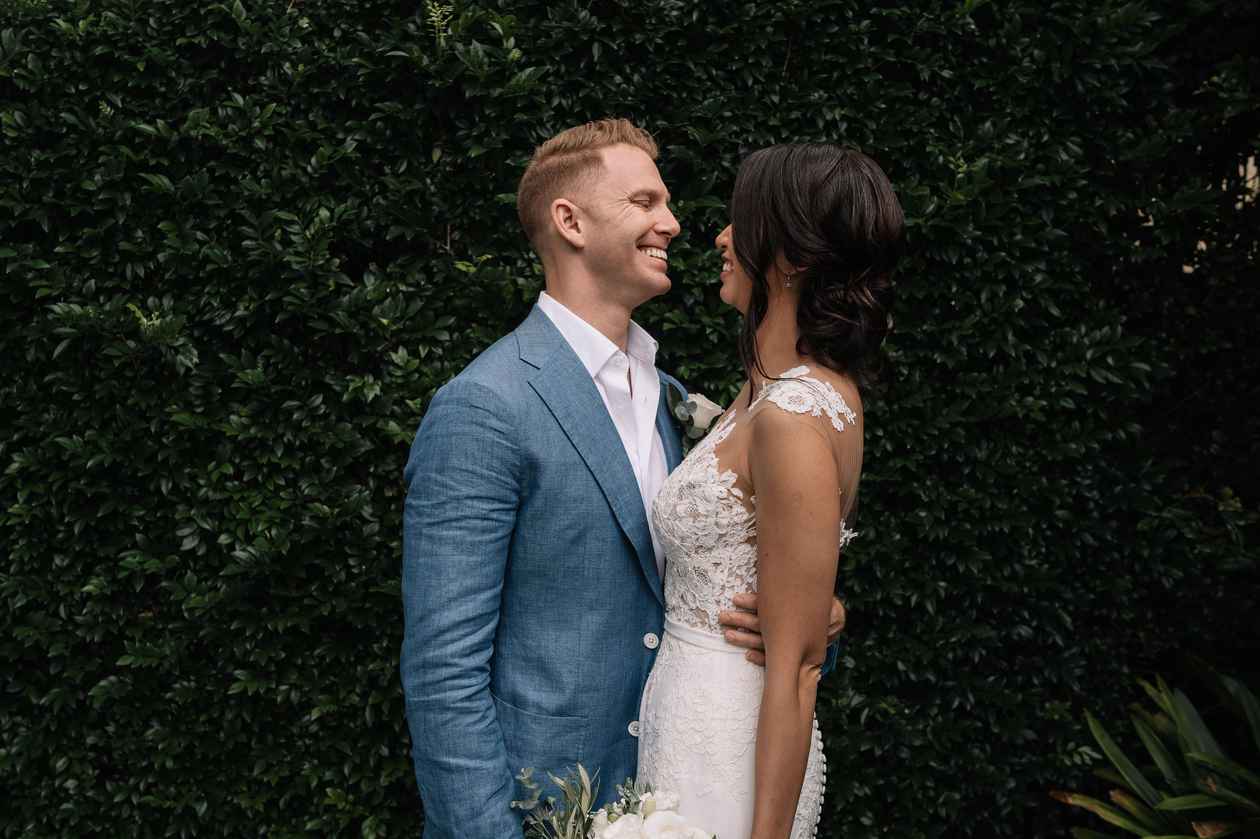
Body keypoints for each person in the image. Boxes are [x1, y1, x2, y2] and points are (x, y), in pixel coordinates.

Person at [399, 120, 847, 838]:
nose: (671, 222)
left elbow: (710, 575)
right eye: (645, 201)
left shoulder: (678, 400)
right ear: (570, 221)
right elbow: (442, 673)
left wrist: (818, 614)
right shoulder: (484, 406)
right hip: (543, 814)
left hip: (675, 795)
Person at [637, 144, 904, 839]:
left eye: (739, 223)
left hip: (733, 743)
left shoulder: (791, 415)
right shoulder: (778, 391)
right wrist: (821, 606)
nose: (721, 238)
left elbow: (796, 670)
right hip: (690, 716)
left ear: (790, 258)